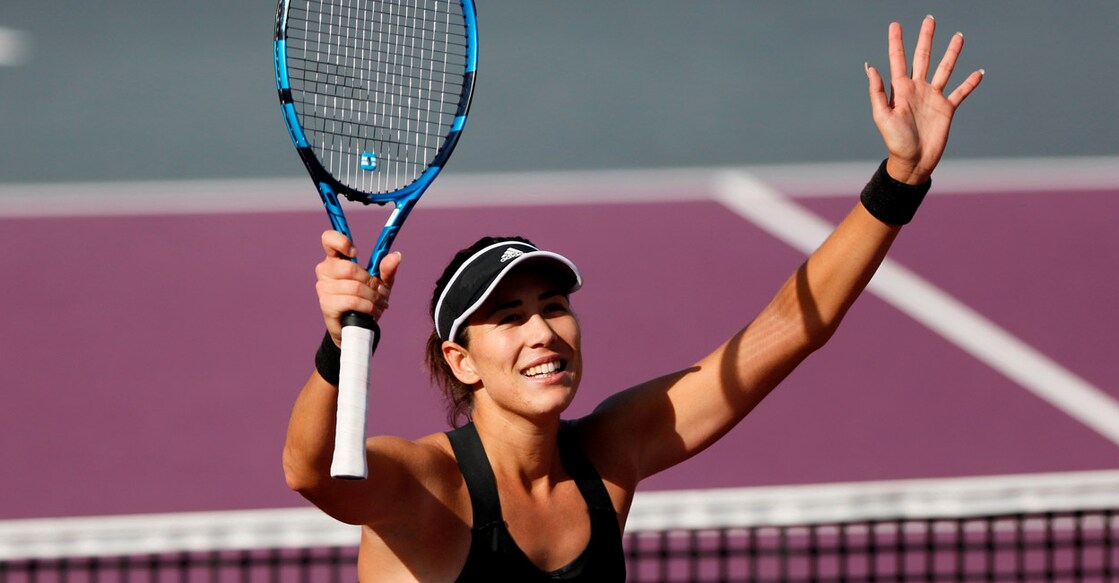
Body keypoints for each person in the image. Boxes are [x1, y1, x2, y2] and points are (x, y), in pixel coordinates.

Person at [283, 16, 984, 582]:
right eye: (508, 317)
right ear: (460, 360)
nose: (542, 330)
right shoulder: (429, 485)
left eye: (552, 305)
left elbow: (787, 330)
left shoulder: (611, 452)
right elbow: (310, 472)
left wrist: (899, 179)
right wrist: (339, 345)